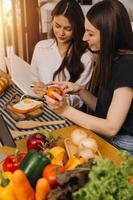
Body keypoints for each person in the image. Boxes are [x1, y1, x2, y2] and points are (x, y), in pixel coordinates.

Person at [45, 0, 133, 156]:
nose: (84, 37)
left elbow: (111, 127)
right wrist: (81, 91)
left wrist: (65, 110)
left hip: (124, 145)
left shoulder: (127, 65)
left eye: (91, 33)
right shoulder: (111, 59)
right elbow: (105, 109)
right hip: (114, 139)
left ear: (109, 34)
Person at [31, 0, 93, 108]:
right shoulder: (41, 47)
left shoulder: (85, 57)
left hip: (68, 113)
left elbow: (80, 98)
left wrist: (59, 99)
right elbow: (32, 80)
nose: (61, 33)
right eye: (57, 26)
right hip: (39, 106)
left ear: (77, 28)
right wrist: (36, 88)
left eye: (68, 29)